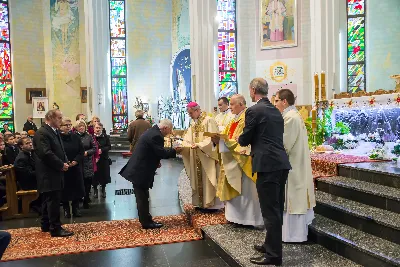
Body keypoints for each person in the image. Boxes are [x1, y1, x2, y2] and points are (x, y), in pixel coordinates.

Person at [238, 78, 291, 266]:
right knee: (275, 209)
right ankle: (270, 245)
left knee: (270, 212)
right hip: (281, 164)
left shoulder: (253, 110)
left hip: (267, 165)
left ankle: (273, 256)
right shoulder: (276, 111)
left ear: (253, 90)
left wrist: (240, 137)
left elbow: (245, 139)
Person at [119, 119, 181, 229]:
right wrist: (174, 150)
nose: (169, 133)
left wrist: (156, 161)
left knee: (143, 196)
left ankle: (146, 219)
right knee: (142, 197)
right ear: (165, 128)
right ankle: (146, 223)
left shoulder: (152, 131)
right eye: (169, 131)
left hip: (139, 168)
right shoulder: (156, 135)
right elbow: (161, 152)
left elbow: (152, 151)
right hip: (140, 170)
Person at [212, 94, 263, 227]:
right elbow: (228, 137)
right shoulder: (233, 119)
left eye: (233, 104)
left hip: (243, 160)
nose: (230, 107)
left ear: (241, 104)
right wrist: (218, 139)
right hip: (231, 159)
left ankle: (247, 219)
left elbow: (244, 140)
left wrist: (225, 141)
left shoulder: (247, 117)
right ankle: (235, 218)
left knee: (246, 192)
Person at [274, 89, 316, 243]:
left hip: (292, 165)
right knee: (293, 197)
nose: (275, 103)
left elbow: (284, 144)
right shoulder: (292, 115)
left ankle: (293, 236)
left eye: (277, 100)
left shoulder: (290, 118)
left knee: (293, 198)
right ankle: (289, 235)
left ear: (284, 101)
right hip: (293, 163)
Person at [33, 109, 73, 237]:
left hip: (54, 171)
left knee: (49, 199)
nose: (61, 121)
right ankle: (55, 228)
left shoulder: (53, 131)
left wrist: (65, 161)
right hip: (48, 172)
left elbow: (60, 149)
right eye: (59, 118)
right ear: (50, 118)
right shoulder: (42, 133)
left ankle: (46, 224)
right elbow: (45, 153)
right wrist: (61, 164)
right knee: (53, 200)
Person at [181, 102, 224, 210]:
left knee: (209, 179)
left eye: (190, 113)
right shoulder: (194, 123)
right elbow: (188, 138)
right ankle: (200, 203)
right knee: (198, 179)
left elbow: (214, 138)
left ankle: (211, 205)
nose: (189, 115)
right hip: (197, 156)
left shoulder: (209, 120)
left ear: (197, 110)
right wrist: (184, 145)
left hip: (207, 156)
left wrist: (200, 145)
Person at [59, 118, 85, 218]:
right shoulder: (58, 138)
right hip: (63, 167)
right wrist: (64, 162)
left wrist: (76, 161)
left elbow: (81, 151)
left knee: (76, 188)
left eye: (70, 125)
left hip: (75, 166)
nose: (68, 127)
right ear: (60, 126)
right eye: (66, 125)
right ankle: (66, 209)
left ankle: (76, 208)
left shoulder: (76, 137)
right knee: (65, 189)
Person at [75, 120, 97, 208]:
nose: (81, 128)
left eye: (83, 126)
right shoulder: (74, 136)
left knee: (88, 181)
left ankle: (86, 198)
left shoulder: (89, 136)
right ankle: (79, 198)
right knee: (79, 182)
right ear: (76, 128)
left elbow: (94, 148)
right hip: (78, 162)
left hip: (87, 162)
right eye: (79, 126)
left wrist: (87, 152)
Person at [92, 122, 111, 198]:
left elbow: (109, 147)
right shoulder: (91, 137)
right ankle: (95, 190)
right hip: (94, 159)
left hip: (103, 158)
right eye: (96, 128)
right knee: (95, 175)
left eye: (99, 128)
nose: (98, 129)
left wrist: (102, 150)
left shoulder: (105, 137)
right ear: (94, 128)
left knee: (104, 175)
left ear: (102, 129)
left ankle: (103, 189)